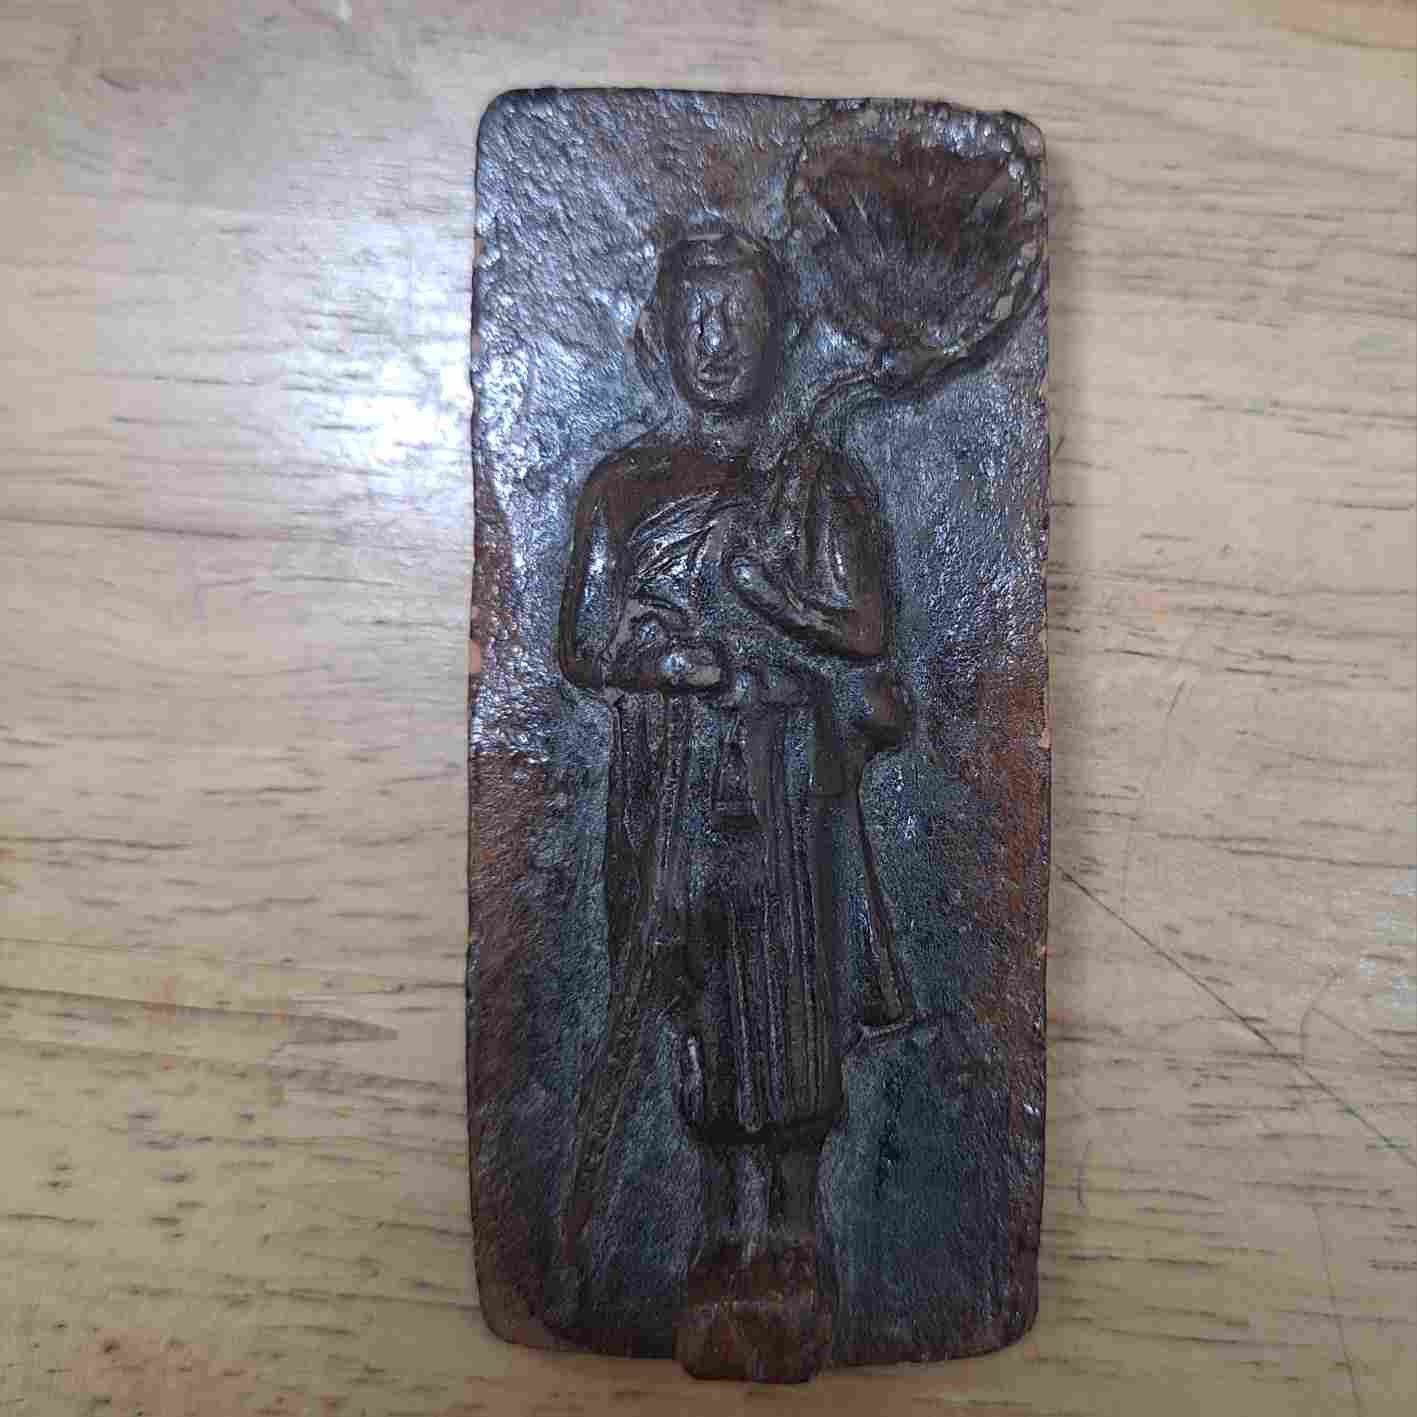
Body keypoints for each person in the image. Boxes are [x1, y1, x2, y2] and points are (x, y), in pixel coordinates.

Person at [557, 226, 909, 1376]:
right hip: (673, 780)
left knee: (789, 999)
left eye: (739, 317)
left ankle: (793, 1230)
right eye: (695, 316)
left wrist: (766, 594)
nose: (716, 340)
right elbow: (582, 641)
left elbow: (863, 629)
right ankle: (718, 1225)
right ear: (656, 333)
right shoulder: (623, 489)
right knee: (700, 996)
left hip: (783, 775)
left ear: (780, 331)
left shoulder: (816, 483)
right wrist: (665, 658)